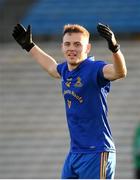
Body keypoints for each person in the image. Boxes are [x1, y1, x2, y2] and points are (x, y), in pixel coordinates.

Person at [12, 22, 127, 179]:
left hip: (96, 151)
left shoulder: (95, 68)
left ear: (87, 48)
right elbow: (52, 68)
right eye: (67, 44)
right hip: (75, 152)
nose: (71, 48)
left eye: (77, 44)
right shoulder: (65, 70)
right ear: (62, 47)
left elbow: (119, 72)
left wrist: (115, 48)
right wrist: (29, 46)